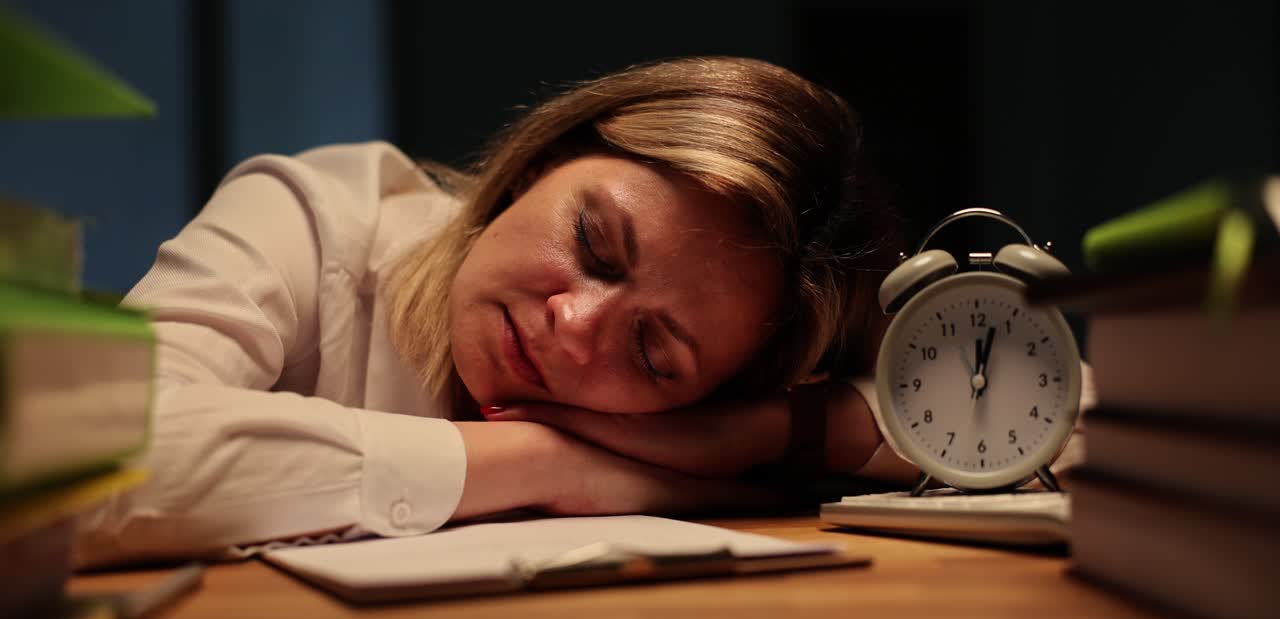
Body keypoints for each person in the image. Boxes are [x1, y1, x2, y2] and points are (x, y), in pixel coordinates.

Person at [75, 57, 1083, 568]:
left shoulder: (723, 412)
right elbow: (82, 461)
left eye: (654, 354)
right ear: (552, 159)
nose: (573, 325)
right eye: (593, 243)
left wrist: (766, 430)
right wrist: (558, 466)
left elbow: (1080, 421)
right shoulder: (316, 219)